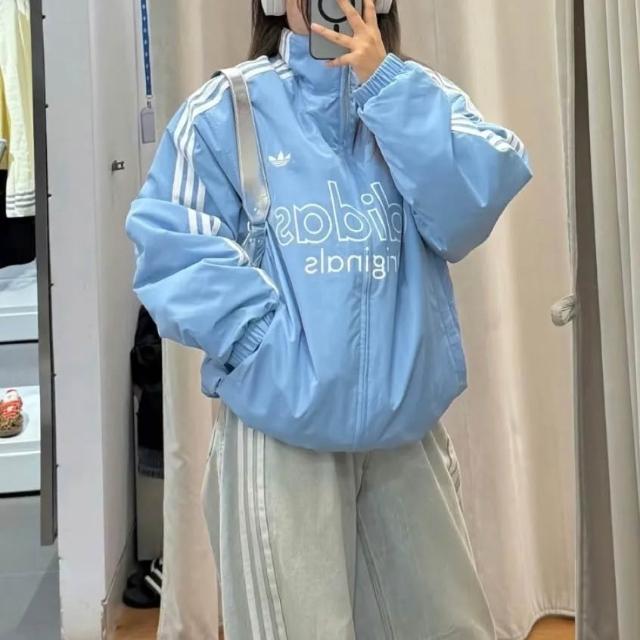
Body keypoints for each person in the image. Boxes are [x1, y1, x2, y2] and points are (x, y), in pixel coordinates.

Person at [125, 0, 532, 637]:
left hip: (404, 433)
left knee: (446, 625)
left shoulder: (418, 96)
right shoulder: (228, 109)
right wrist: (266, 349)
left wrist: (385, 86)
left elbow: (464, 213)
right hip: (281, 436)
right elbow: (172, 246)